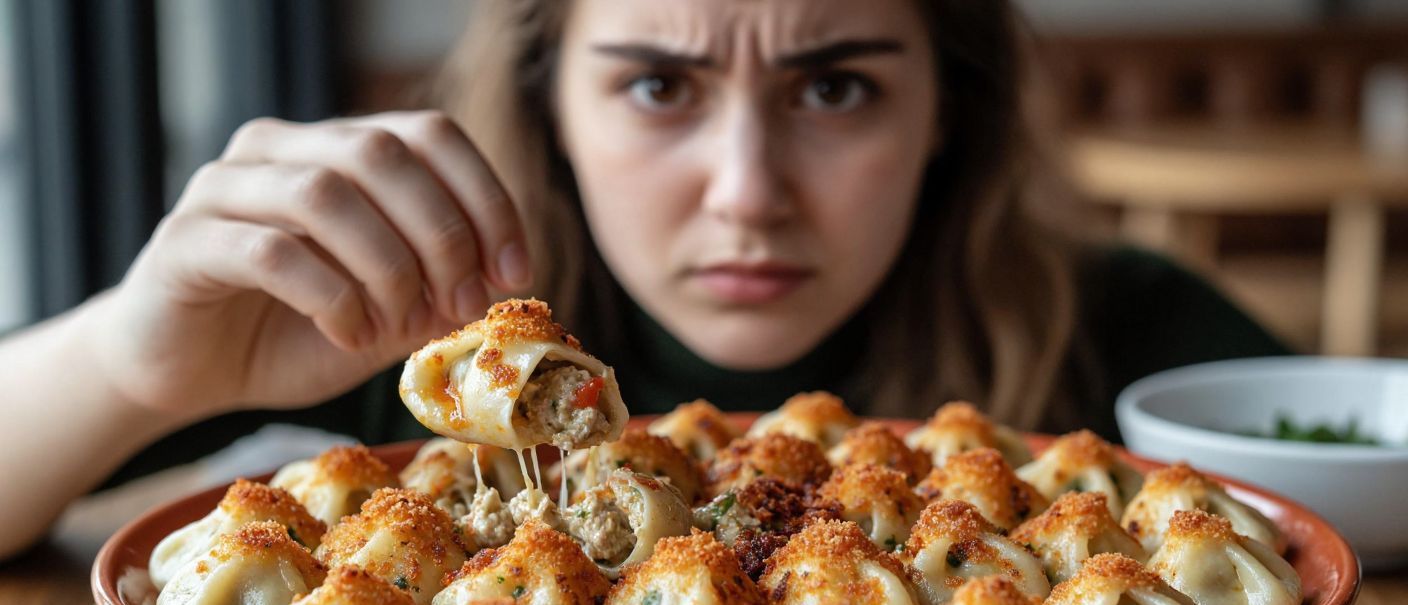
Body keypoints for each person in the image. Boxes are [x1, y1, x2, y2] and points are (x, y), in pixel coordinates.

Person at [0, 0, 1286, 560]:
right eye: (659, 85)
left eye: (834, 87)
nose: (745, 189)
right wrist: (128, 363)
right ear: (549, 106)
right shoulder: (410, 330)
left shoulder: (1141, 346)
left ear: (949, 108)